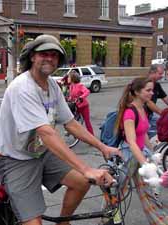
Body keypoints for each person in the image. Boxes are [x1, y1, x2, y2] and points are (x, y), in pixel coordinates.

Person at [0, 34, 120, 225]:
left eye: (55, 55)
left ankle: (63, 222)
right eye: (44, 53)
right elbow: (46, 132)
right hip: (14, 159)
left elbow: (71, 123)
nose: (50, 58)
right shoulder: (22, 87)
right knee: (33, 222)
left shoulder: (52, 85)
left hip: (40, 151)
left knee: (81, 182)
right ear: (33, 57)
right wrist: (86, 168)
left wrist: (102, 147)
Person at [107, 77, 168, 225]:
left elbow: (143, 133)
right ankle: (109, 219)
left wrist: (153, 153)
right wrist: (145, 164)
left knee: (148, 192)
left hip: (140, 154)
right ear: (136, 92)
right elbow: (131, 141)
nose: (151, 93)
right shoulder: (130, 112)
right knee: (117, 191)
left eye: (152, 90)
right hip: (128, 156)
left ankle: (160, 221)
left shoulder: (143, 108)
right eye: (148, 90)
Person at [67, 70, 94, 135]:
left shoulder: (80, 85)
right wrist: (69, 99)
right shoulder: (71, 86)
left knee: (87, 121)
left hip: (83, 106)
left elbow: (87, 91)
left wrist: (81, 97)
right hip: (75, 105)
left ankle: (92, 136)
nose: (67, 78)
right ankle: (75, 133)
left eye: (69, 77)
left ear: (73, 78)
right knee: (72, 120)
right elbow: (71, 96)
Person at [146, 64, 168, 137]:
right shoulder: (144, 84)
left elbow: (165, 98)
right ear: (152, 72)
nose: (162, 76)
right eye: (160, 73)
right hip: (141, 116)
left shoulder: (157, 85)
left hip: (150, 115)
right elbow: (149, 103)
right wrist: (163, 114)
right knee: (157, 133)